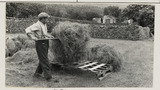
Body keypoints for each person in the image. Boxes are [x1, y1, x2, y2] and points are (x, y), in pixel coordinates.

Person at [25, 12, 54, 81]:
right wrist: (32, 37)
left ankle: (37, 74)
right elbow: (27, 30)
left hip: (45, 42)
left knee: (43, 58)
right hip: (40, 43)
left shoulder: (44, 24)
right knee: (45, 60)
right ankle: (48, 77)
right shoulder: (37, 25)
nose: (47, 20)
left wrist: (49, 36)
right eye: (46, 19)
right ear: (42, 19)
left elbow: (44, 33)